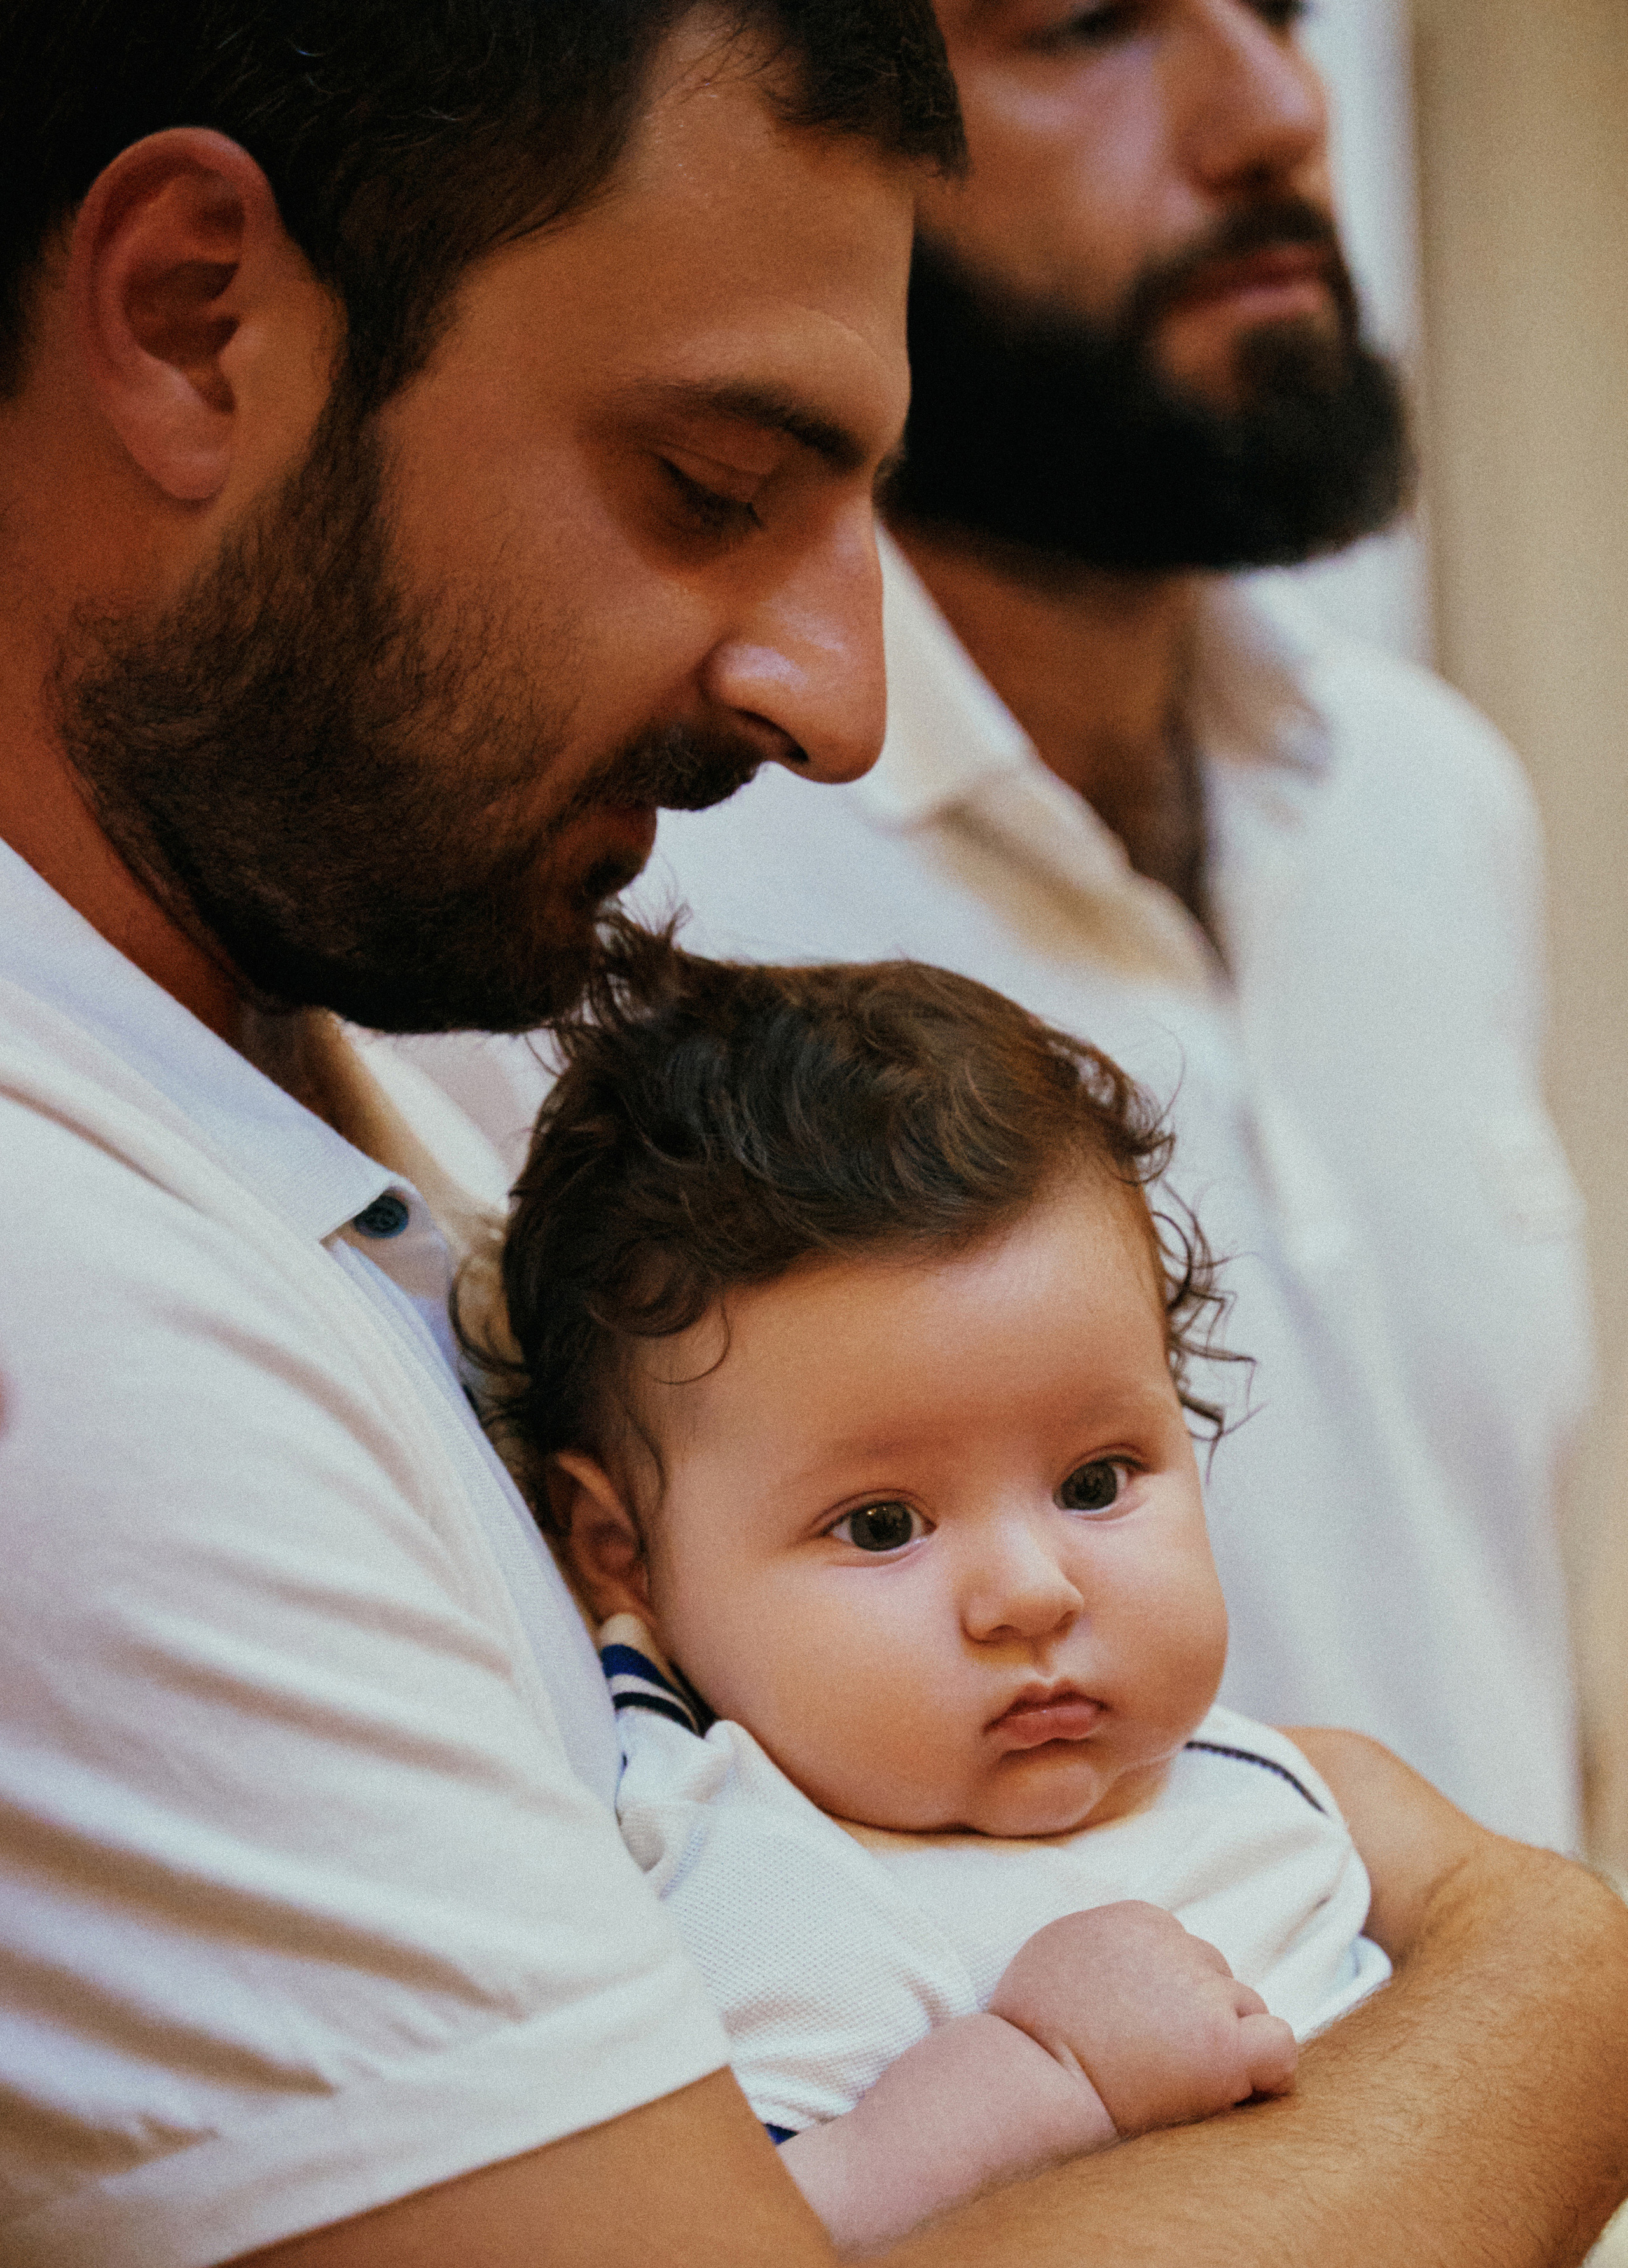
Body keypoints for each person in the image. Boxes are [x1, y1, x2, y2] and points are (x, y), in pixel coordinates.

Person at [2, 6, 1627, 2268]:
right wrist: (1554, 1978)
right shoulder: (69, 1287)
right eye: (706, 482)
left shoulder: (353, 1054)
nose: (838, 701)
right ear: (190, 319)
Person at [476, 0, 1586, 1854]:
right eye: (1086, 27)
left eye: (1281, 12)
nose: (1273, 111)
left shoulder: (1430, 799)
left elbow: (1505, 1625)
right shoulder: (617, 887)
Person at [493, 945, 1393, 2251]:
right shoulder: (764, 1883)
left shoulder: (1246, 1775)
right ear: (621, 1555)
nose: (1032, 1593)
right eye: (881, 1526)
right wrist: (1045, 2075)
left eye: (1094, 1482)